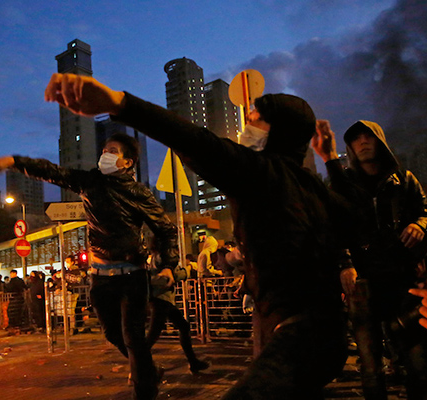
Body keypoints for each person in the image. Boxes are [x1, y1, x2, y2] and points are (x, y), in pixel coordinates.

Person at [43, 73, 350, 399]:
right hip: (325, 334)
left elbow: (193, 139)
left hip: (300, 338)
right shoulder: (308, 183)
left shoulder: (260, 172)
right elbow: (352, 214)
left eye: (258, 117)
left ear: (279, 131)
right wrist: (330, 159)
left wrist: (120, 103)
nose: (249, 120)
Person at [0, 132, 178, 400]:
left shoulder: (139, 193)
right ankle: (148, 369)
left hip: (132, 276)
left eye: (112, 151)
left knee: (133, 337)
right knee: (113, 334)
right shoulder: (89, 182)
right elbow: (52, 171)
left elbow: (166, 230)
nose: (105, 155)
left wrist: (168, 265)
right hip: (100, 278)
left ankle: (144, 389)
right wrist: (12, 161)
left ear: (128, 162)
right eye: (103, 150)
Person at [313, 119, 427, 400]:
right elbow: (335, 224)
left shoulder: (404, 179)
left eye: (368, 136)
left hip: (403, 282)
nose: (362, 141)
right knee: (371, 368)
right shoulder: (344, 182)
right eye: (355, 138)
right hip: (363, 284)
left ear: (380, 141)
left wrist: (419, 225)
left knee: (418, 364)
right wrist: (345, 263)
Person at [147, 265, 209, 374]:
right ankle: (138, 365)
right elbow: (169, 277)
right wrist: (186, 270)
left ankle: (193, 362)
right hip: (161, 300)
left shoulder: (158, 261)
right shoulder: (160, 261)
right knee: (153, 335)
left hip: (164, 300)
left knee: (183, 326)